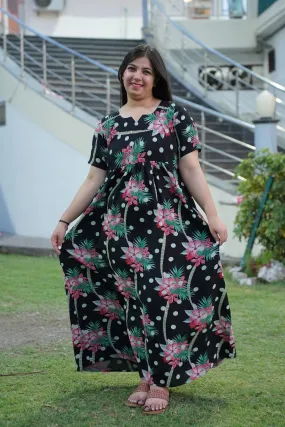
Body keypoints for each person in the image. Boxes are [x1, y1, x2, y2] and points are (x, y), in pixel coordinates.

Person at [51, 44, 236, 415]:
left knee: (160, 296)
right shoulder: (107, 125)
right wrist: (64, 220)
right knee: (134, 301)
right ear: (122, 73)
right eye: (132, 69)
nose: (137, 76)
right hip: (118, 228)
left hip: (168, 224)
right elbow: (93, 179)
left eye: (146, 71)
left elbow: (191, 170)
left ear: (157, 79)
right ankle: (146, 374)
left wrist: (213, 214)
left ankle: (162, 380)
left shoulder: (174, 117)